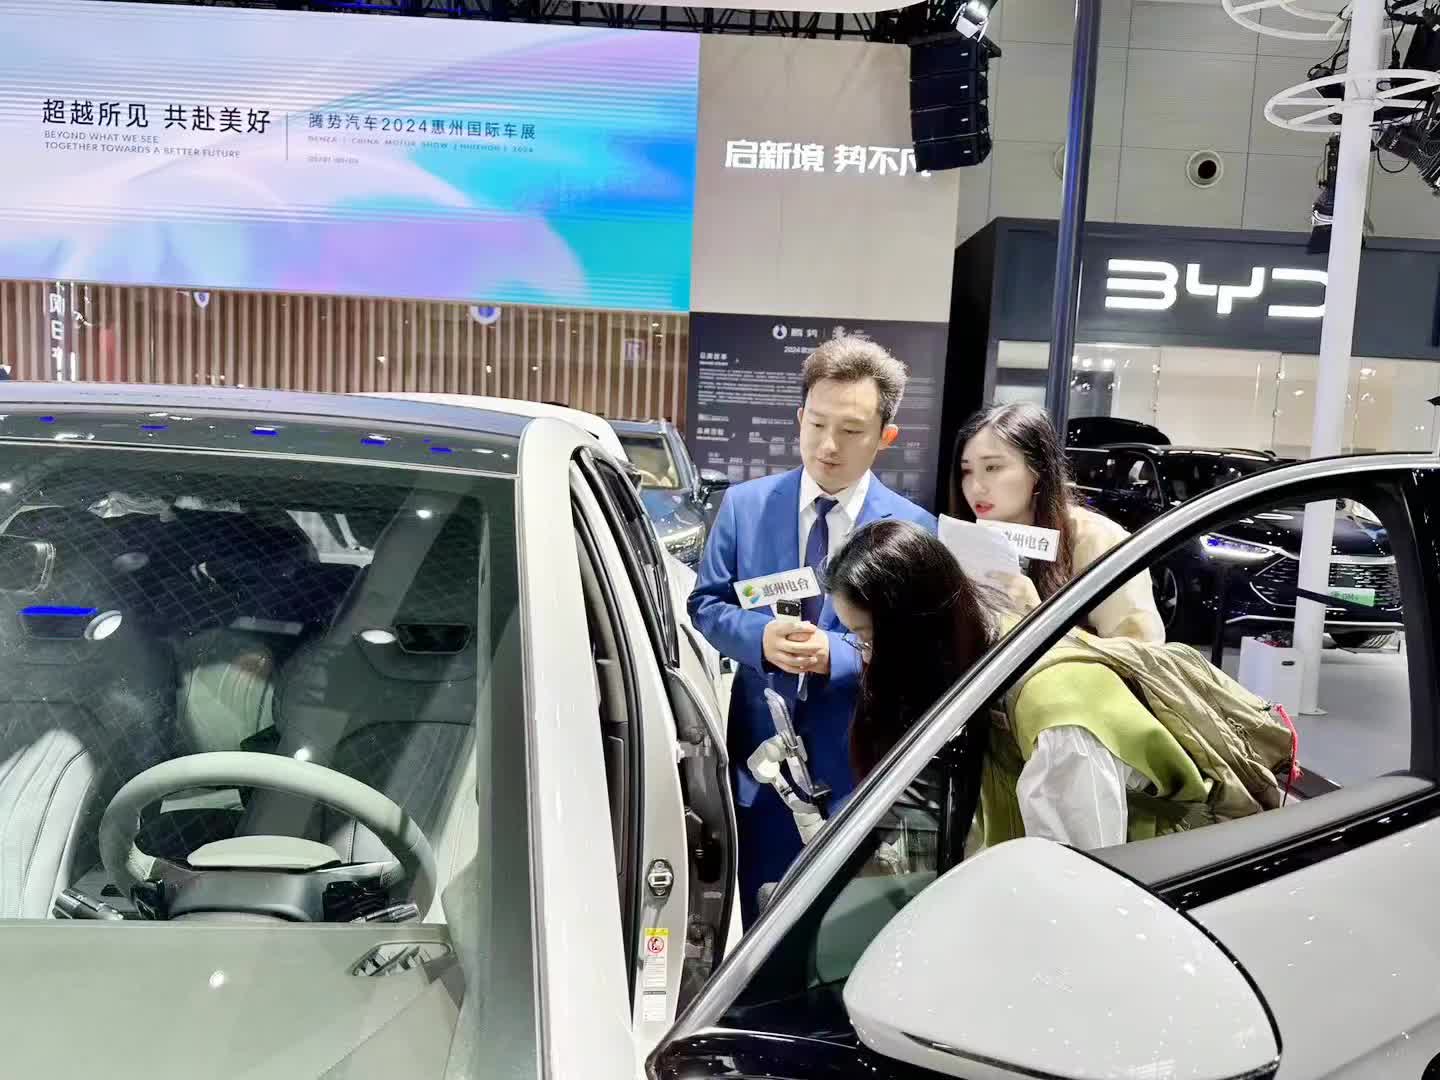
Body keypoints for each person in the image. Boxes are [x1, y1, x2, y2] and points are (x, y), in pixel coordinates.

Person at [689, 336, 936, 924]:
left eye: (851, 431)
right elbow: (706, 603)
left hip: (859, 761)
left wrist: (841, 653)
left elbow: (919, 641)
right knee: (759, 915)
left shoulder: (912, 529)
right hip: (761, 764)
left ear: (885, 436)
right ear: (800, 417)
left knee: (845, 920)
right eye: (818, 424)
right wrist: (758, 639)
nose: (828, 446)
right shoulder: (745, 506)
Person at [827, 519, 1208, 851]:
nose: (865, 656)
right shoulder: (985, 640)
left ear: (914, 627)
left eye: (868, 637)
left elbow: (1071, 876)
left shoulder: (1055, 714)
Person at [950, 402, 1165, 643]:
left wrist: (1039, 620)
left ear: (1038, 470)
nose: (975, 487)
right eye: (966, 471)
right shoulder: (967, 540)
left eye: (992, 467)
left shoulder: (1098, 539)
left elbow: (1140, 653)